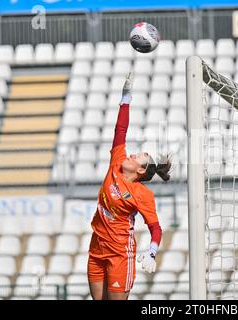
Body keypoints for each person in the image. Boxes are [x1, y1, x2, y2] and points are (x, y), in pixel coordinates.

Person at [87, 72, 172, 300]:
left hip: (119, 255)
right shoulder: (116, 162)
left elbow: (156, 228)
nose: (132, 154)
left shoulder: (141, 194)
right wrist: (125, 98)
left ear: (141, 170)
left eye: (139, 157)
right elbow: (120, 130)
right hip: (97, 248)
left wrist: (152, 253)